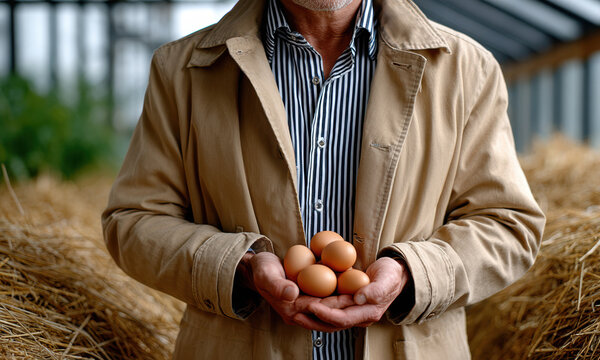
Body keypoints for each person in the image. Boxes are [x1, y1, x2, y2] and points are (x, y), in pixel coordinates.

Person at [102, 0, 545, 358]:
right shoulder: (183, 70)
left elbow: (509, 224)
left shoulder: (466, 70)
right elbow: (135, 220)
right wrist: (238, 265)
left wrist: (411, 273)